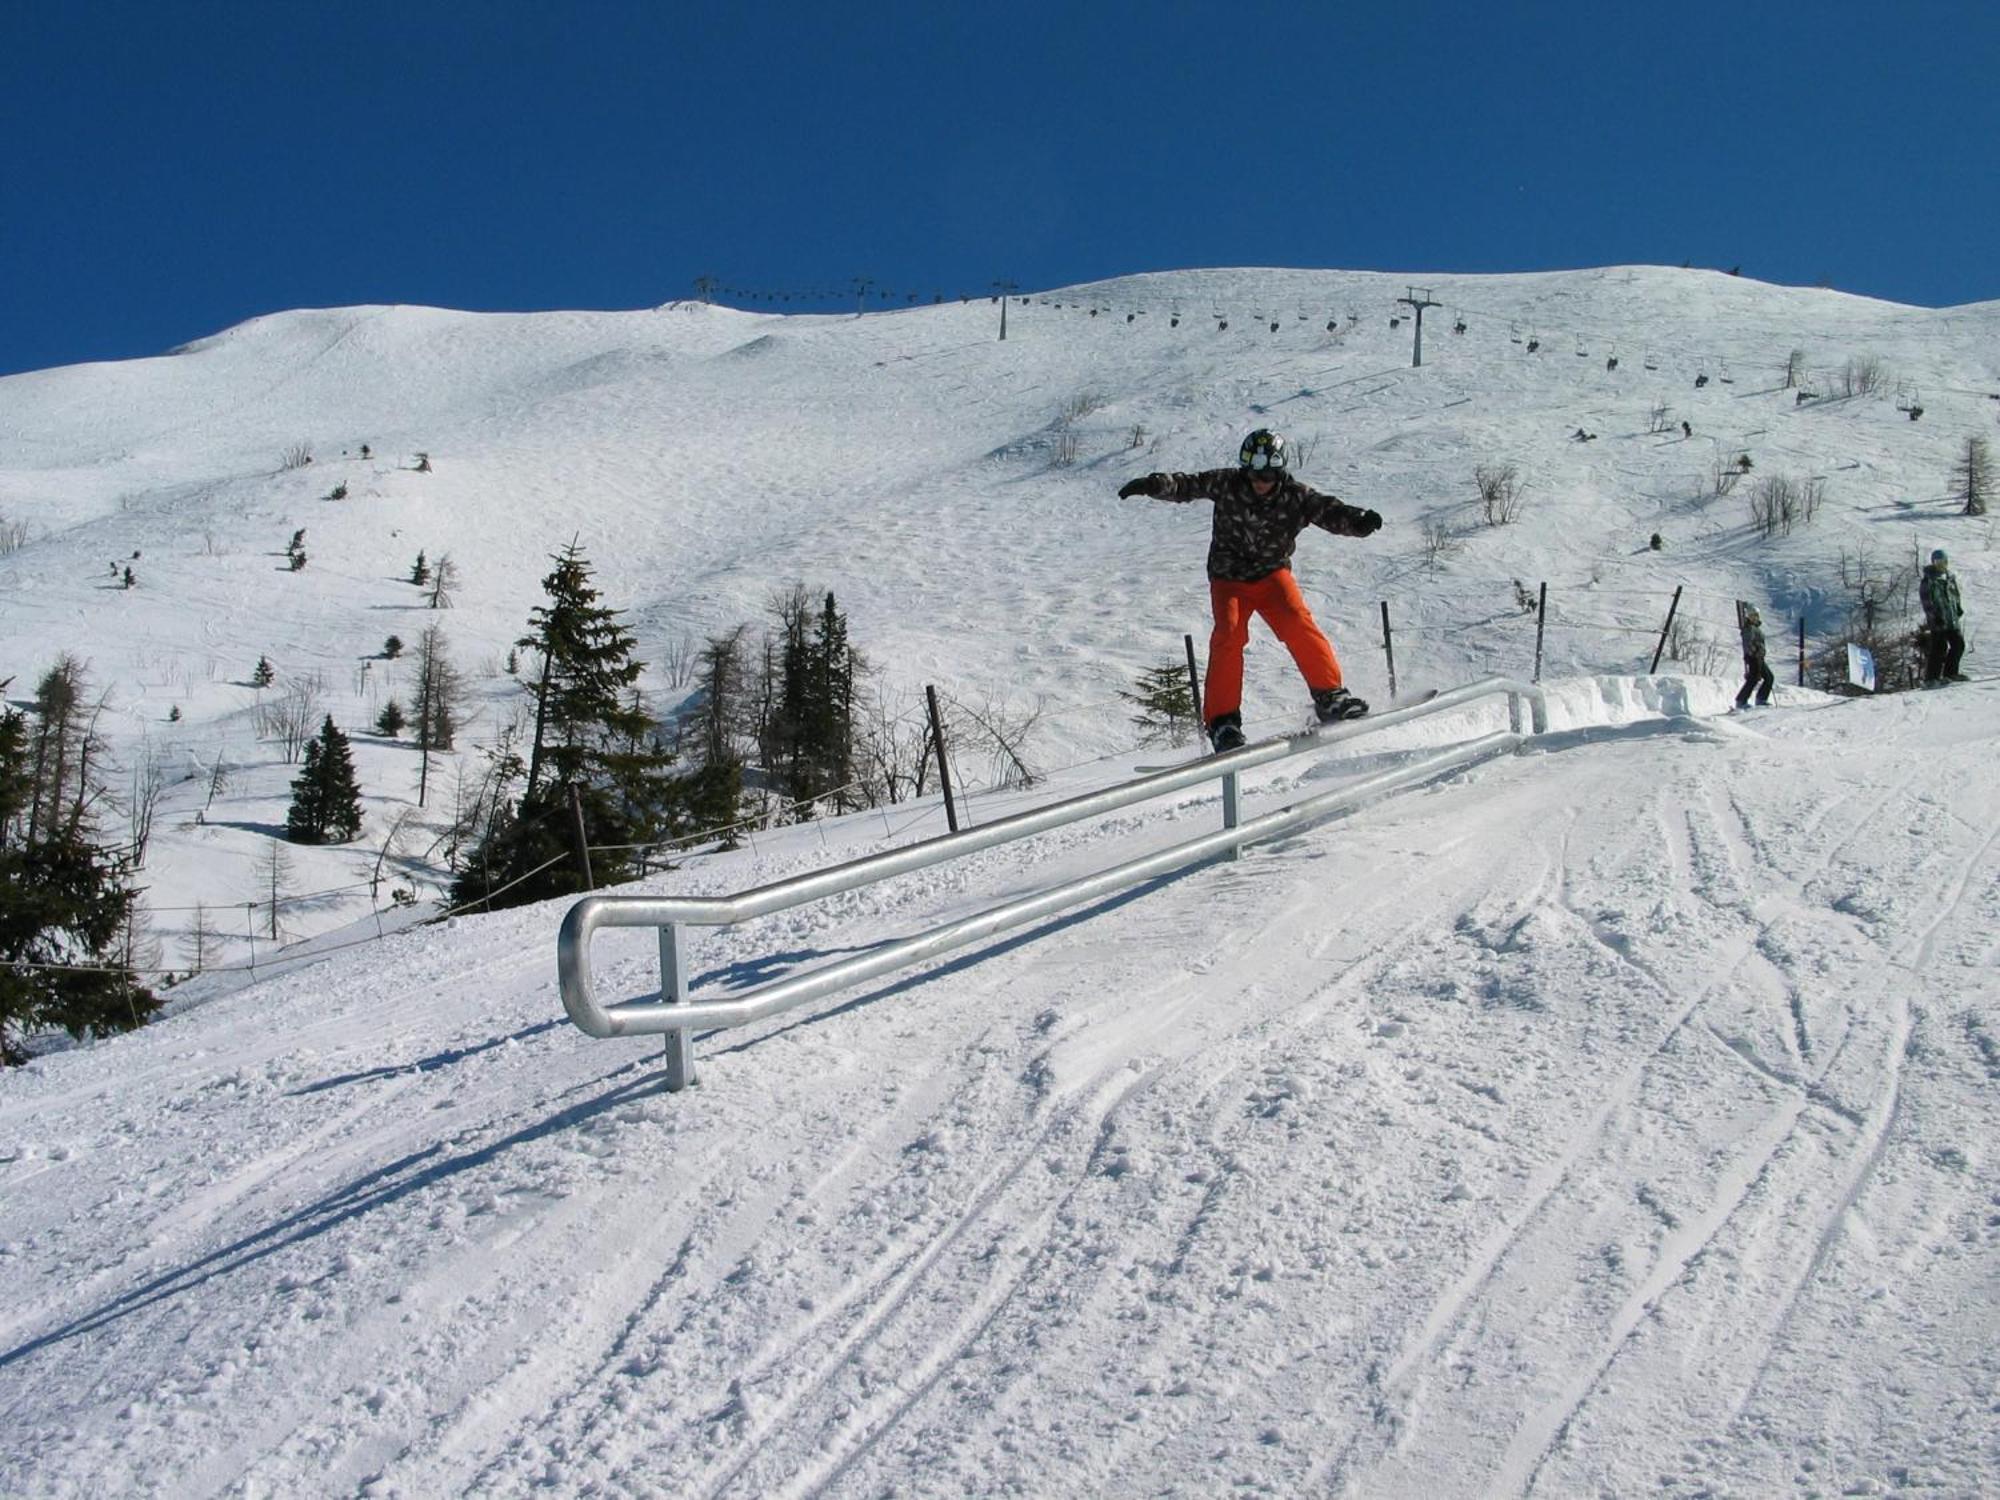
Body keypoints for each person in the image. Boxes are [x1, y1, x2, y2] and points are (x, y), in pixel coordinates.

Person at [1118, 429, 1382, 751]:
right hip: (1229, 577)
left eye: (1269, 474)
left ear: (1281, 471)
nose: (1261, 481)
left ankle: (1330, 696)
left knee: (1296, 620)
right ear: (1245, 469)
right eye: (1255, 473)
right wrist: (1153, 484)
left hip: (1271, 575)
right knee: (1229, 634)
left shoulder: (1296, 496)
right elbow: (1188, 485)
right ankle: (1223, 722)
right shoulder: (1228, 483)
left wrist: (1359, 521)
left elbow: (1329, 511)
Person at [1919, 548, 1966, 684]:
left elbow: (1955, 595)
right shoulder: (1928, 581)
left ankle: (1951, 674)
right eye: (1937, 562)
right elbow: (1926, 602)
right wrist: (1935, 616)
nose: (1940, 565)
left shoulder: (1950, 578)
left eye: (1943, 562)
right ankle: (1931, 678)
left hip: (1951, 619)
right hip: (1938, 621)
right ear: (1933, 563)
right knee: (1939, 648)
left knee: (1959, 645)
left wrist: (1957, 608)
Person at [1736, 604, 1774, 708]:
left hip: (1758, 657)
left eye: (1756, 615)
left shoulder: (1755, 627)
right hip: (1754, 657)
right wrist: (1754, 651)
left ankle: (1760, 699)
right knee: (1755, 678)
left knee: (1768, 677)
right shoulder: (1749, 628)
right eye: (1752, 615)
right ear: (1748, 616)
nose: (1755, 617)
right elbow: (1747, 643)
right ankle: (1741, 701)